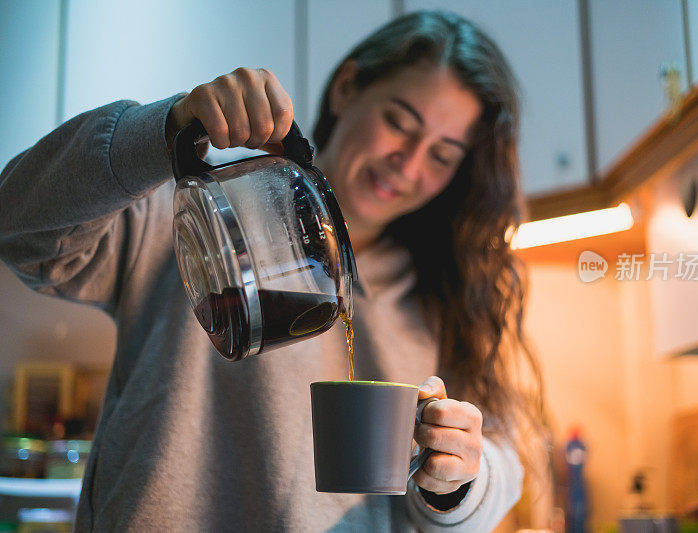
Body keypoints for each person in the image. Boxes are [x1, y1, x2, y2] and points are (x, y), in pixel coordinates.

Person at [0, 10, 549, 532]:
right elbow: (19, 226)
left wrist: (454, 480)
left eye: (443, 155)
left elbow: (500, 457)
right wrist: (161, 131)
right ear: (347, 88)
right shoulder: (185, 210)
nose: (408, 163)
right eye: (399, 122)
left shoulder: (448, 291)